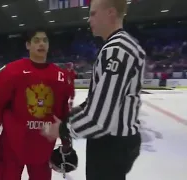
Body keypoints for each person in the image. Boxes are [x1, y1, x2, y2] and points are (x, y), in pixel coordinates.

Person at [43, 0, 146, 179]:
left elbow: (99, 120)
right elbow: (100, 100)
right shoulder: (124, 45)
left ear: (111, 13)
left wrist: (62, 129)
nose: (89, 19)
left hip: (110, 145)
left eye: (93, 13)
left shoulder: (117, 50)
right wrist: (71, 116)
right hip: (118, 142)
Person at [0, 29, 76, 180]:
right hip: (13, 143)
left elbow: (62, 112)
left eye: (45, 40)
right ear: (28, 45)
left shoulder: (60, 76)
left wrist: (66, 139)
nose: (41, 43)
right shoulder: (11, 71)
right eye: (36, 40)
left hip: (43, 146)